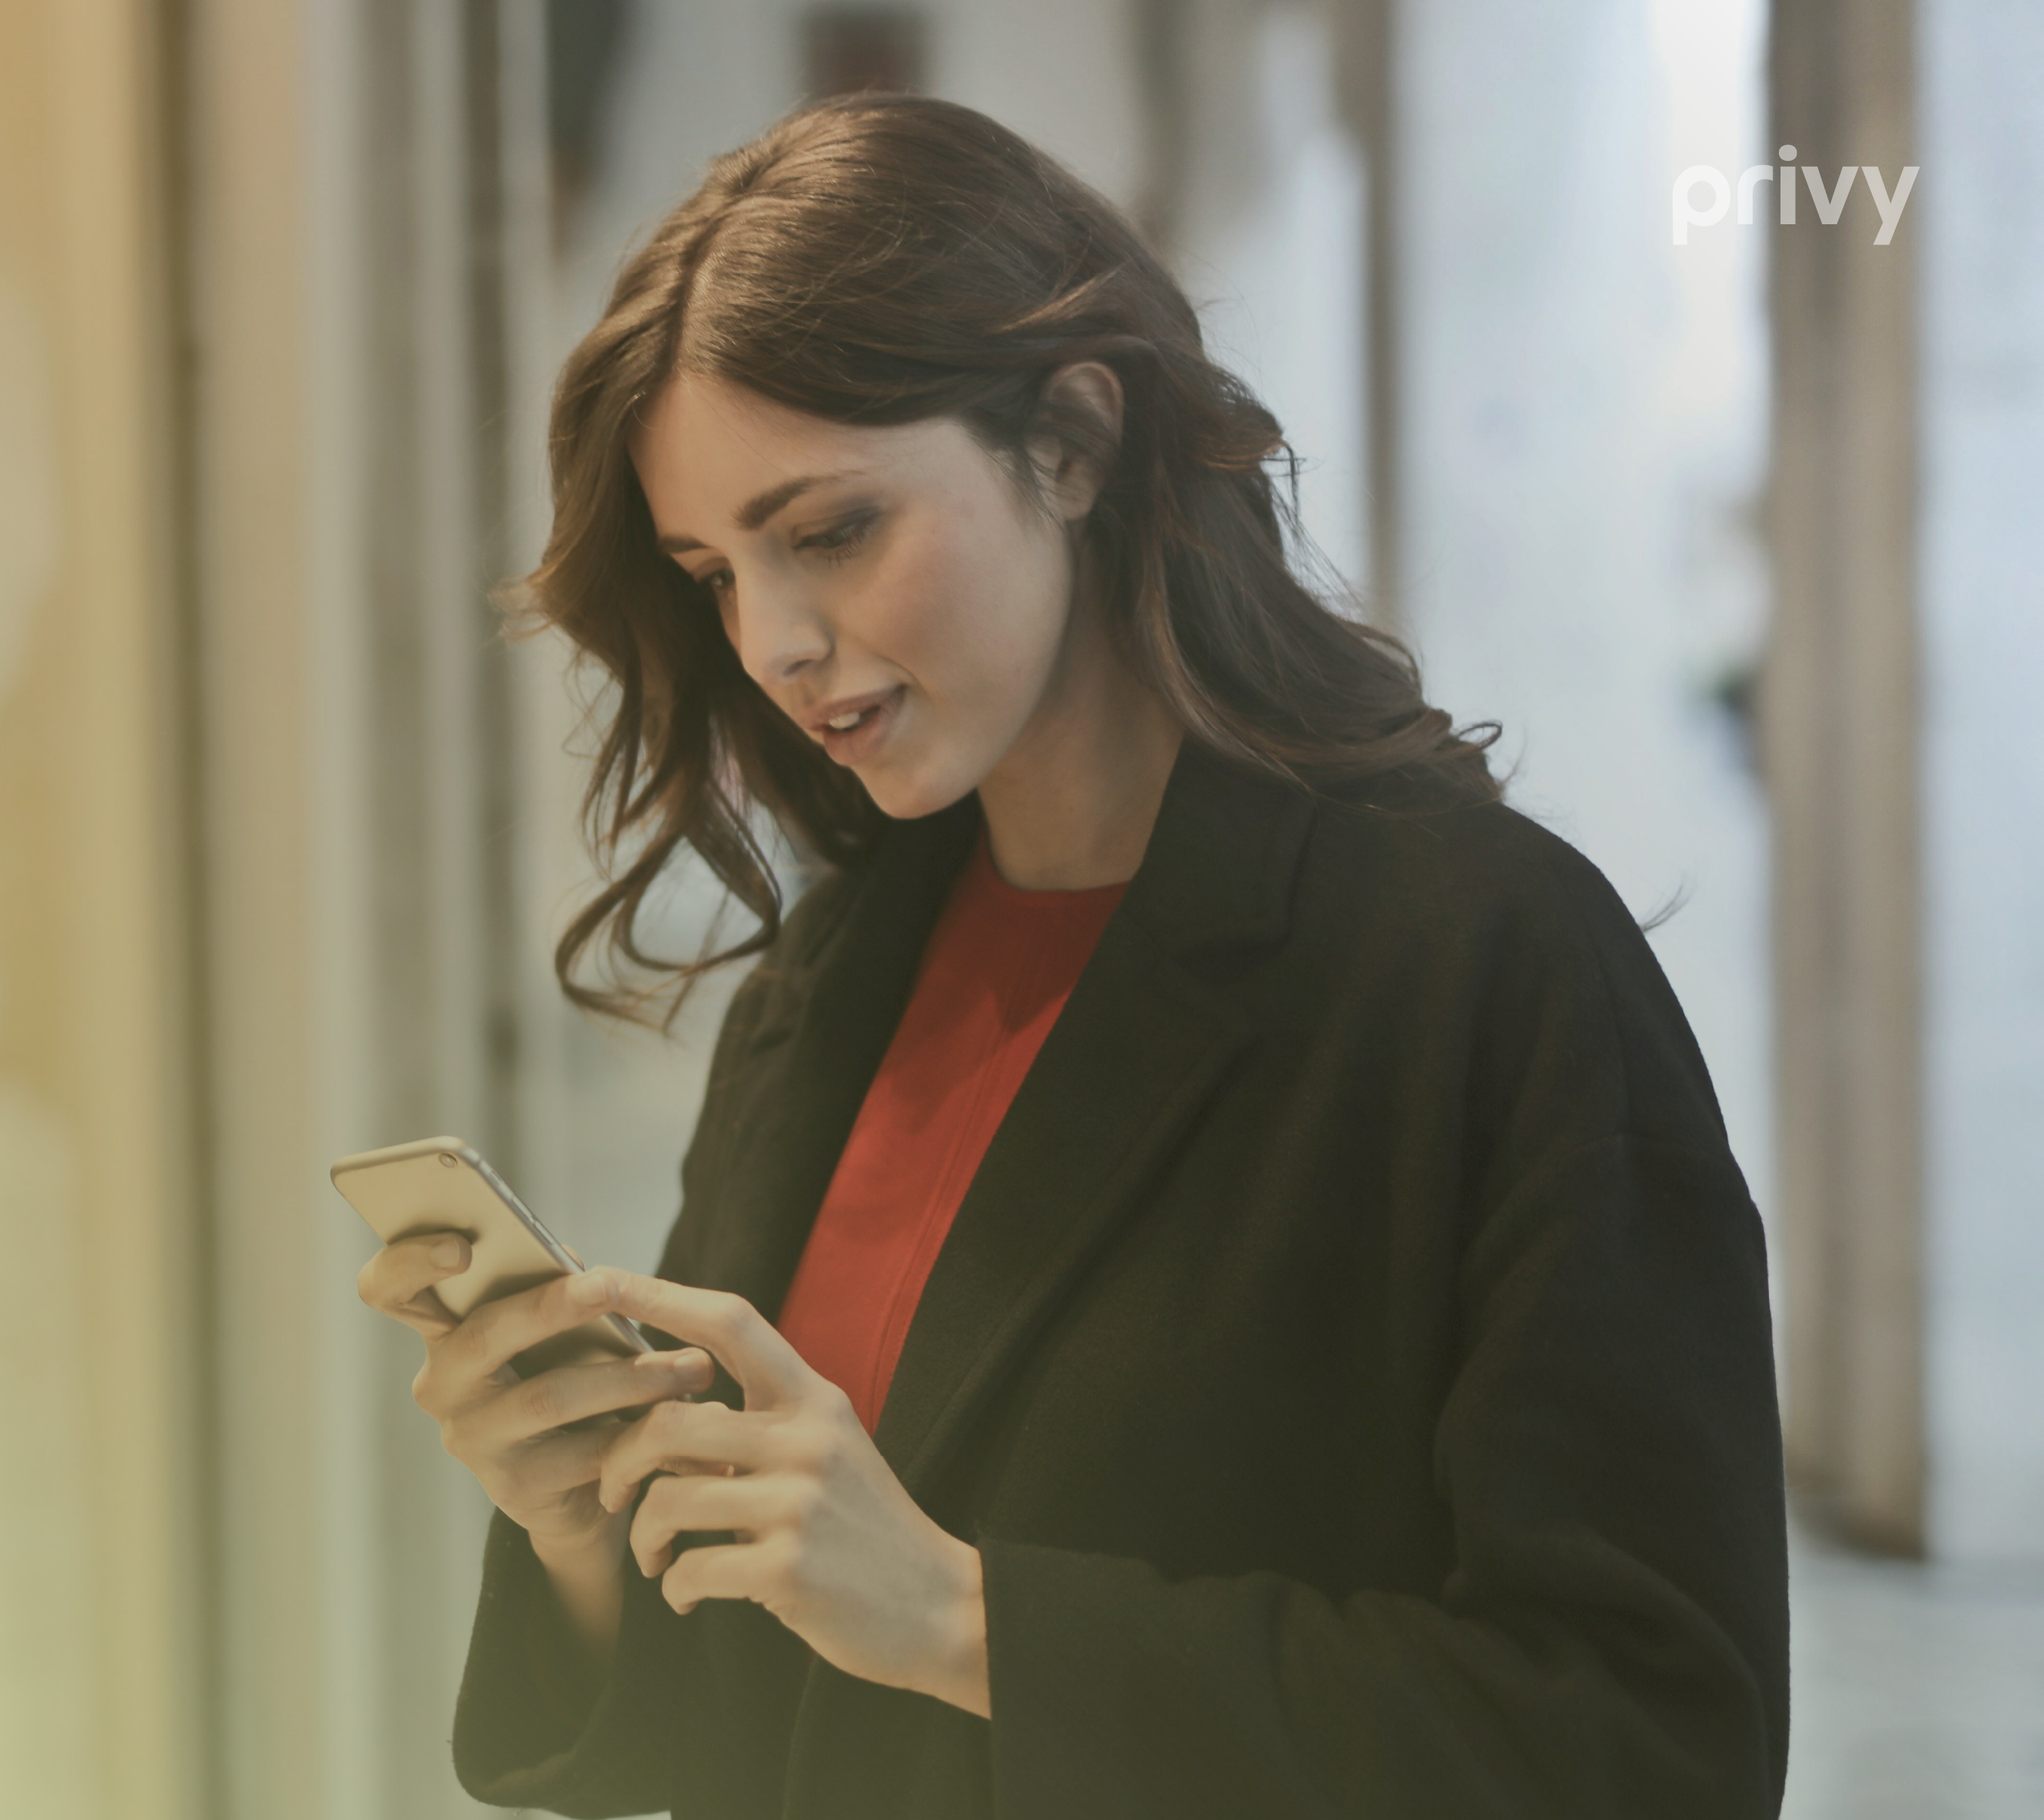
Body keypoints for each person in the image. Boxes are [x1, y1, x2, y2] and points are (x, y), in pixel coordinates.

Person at [354, 97, 1786, 1818]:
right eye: (711, 571)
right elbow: (755, 1695)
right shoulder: (834, 979)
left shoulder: (1482, 962)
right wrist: (585, 1525)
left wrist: (969, 1620)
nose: (773, 642)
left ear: (1074, 438)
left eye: (829, 531)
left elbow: (1647, 1741)